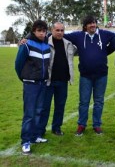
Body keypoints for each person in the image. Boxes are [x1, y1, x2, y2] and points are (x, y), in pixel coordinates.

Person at [63, 15, 115, 136]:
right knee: (84, 102)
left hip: (101, 75)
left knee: (99, 101)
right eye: (90, 23)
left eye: (94, 23)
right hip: (85, 76)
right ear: (85, 26)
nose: (92, 25)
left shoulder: (105, 34)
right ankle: (81, 125)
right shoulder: (78, 36)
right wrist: (29, 38)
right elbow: (60, 35)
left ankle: (97, 125)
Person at [15, 20, 51, 155]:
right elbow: (18, 64)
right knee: (29, 113)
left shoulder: (46, 45)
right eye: (39, 31)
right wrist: (24, 78)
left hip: (42, 83)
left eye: (44, 31)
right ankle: (25, 141)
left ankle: (35, 136)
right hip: (30, 84)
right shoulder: (27, 44)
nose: (42, 33)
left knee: (39, 111)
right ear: (34, 31)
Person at [38, 22, 76, 136]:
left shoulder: (68, 44)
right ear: (52, 30)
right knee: (45, 107)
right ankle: (40, 130)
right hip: (48, 81)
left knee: (60, 106)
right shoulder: (45, 42)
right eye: (57, 30)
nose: (60, 32)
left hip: (63, 81)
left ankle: (56, 128)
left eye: (62, 30)